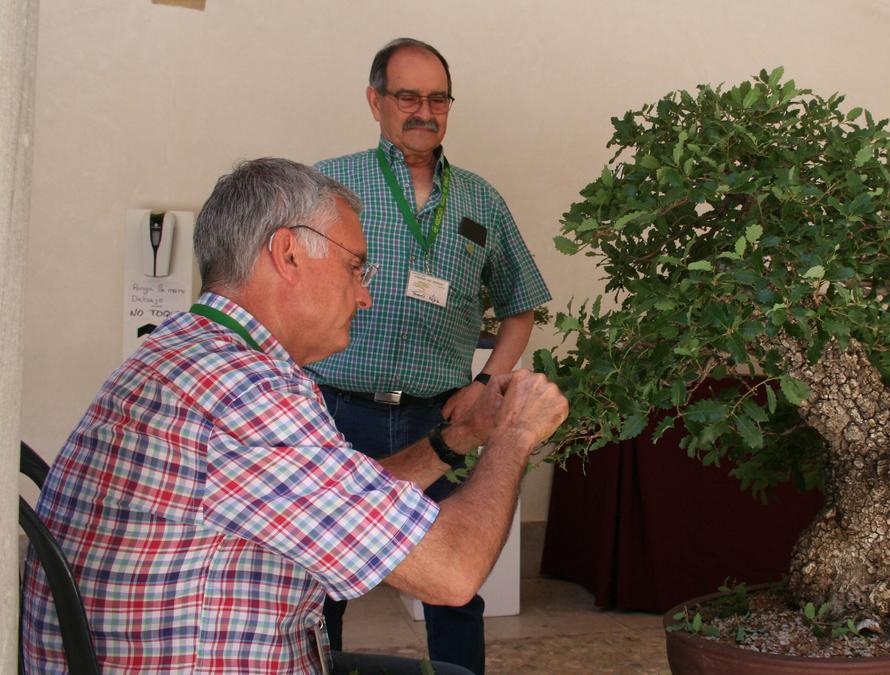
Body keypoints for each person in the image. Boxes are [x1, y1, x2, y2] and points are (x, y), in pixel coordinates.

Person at [20, 158, 567, 674]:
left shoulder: (188, 349)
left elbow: (348, 505)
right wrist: (515, 435)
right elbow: (452, 572)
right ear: (287, 254)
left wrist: (463, 436)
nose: (365, 295)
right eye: (356, 268)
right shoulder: (248, 392)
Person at [309, 37, 551, 673]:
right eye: (407, 96)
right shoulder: (328, 187)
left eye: (437, 98)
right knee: (321, 581)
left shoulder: (480, 202)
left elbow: (521, 305)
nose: (424, 110)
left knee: (456, 582)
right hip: (336, 412)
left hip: (439, 418)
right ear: (376, 101)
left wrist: (487, 384)